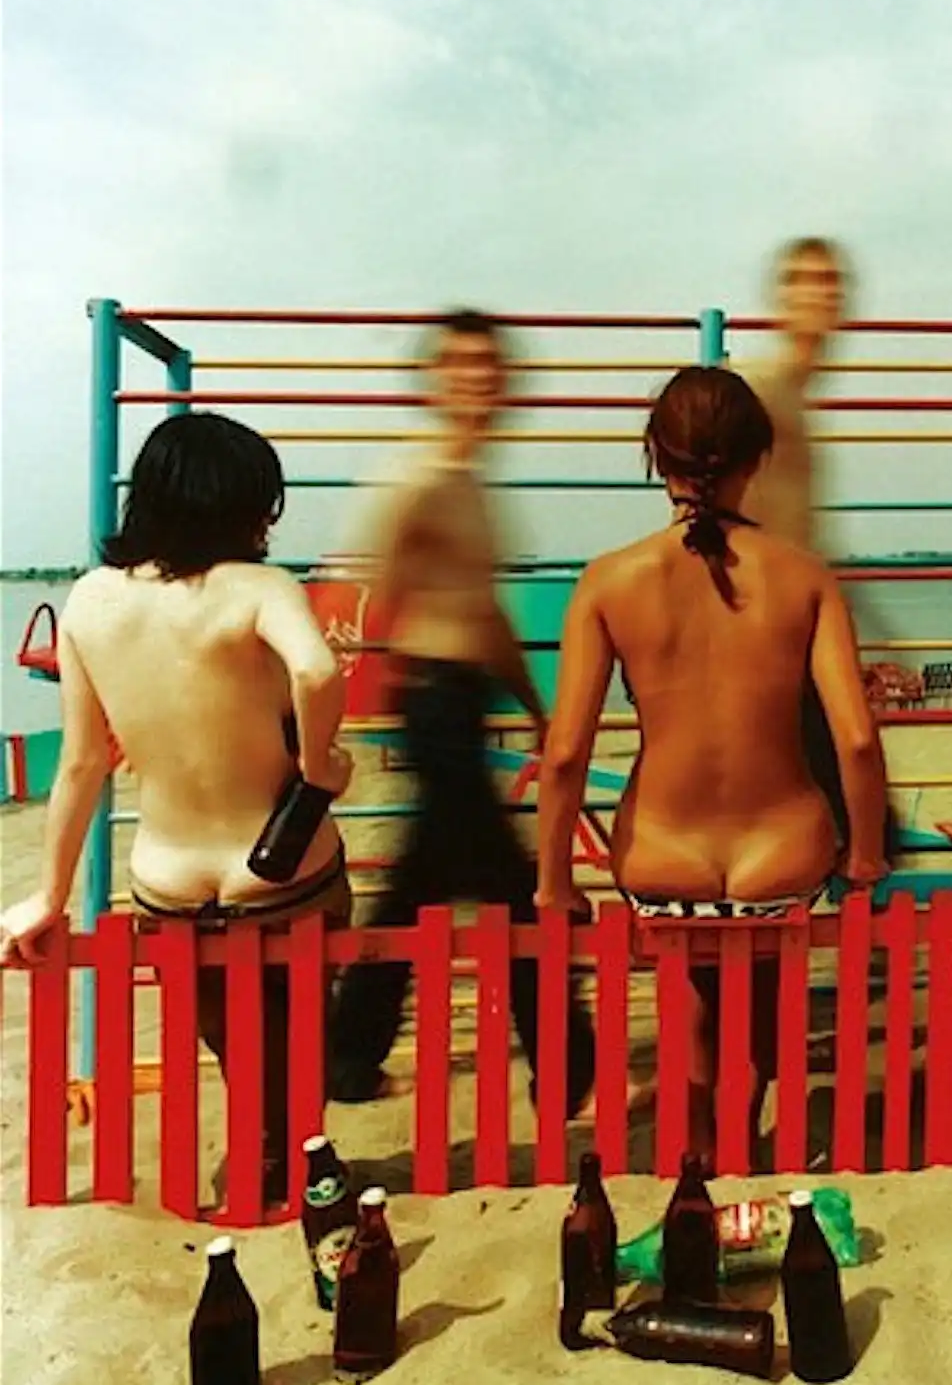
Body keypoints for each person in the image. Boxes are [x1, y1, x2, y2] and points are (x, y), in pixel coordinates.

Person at [537, 364, 890, 1156]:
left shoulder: (608, 580)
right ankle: (745, 1133)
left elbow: (564, 753)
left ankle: (699, 1144)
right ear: (757, 458)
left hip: (663, 858)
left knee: (694, 983)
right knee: (759, 989)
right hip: (781, 858)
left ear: (656, 457)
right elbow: (858, 739)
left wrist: (554, 881)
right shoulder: (804, 576)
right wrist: (865, 854)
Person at [0, 413, 353, 1203]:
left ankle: (269, 1149)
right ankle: (294, 1152)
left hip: (170, 885)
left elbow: (83, 761)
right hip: (283, 872)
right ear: (237, 505)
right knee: (299, 1033)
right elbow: (317, 671)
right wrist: (318, 764)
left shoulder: (89, 600)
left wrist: (49, 894)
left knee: (230, 1036)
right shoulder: (259, 587)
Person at [325, 309, 596, 1114]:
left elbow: (484, 611)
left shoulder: (471, 485)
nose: (476, 378)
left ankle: (346, 1058)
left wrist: (535, 704)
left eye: (488, 365)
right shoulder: (413, 479)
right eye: (458, 365)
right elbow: (354, 590)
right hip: (433, 703)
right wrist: (351, 699)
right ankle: (570, 1072)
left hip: (461, 703)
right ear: (432, 381)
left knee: (420, 893)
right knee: (514, 893)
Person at [735, 237, 899, 864]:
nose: (820, 294)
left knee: (848, 818)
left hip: (794, 636)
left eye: (831, 281)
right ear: (780, 298)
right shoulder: (760, 393)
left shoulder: (796, 403)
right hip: (768, 641)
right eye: (805, 280)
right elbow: (719, 519)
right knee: (858, 819)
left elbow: (806, 543)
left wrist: (869, 633)